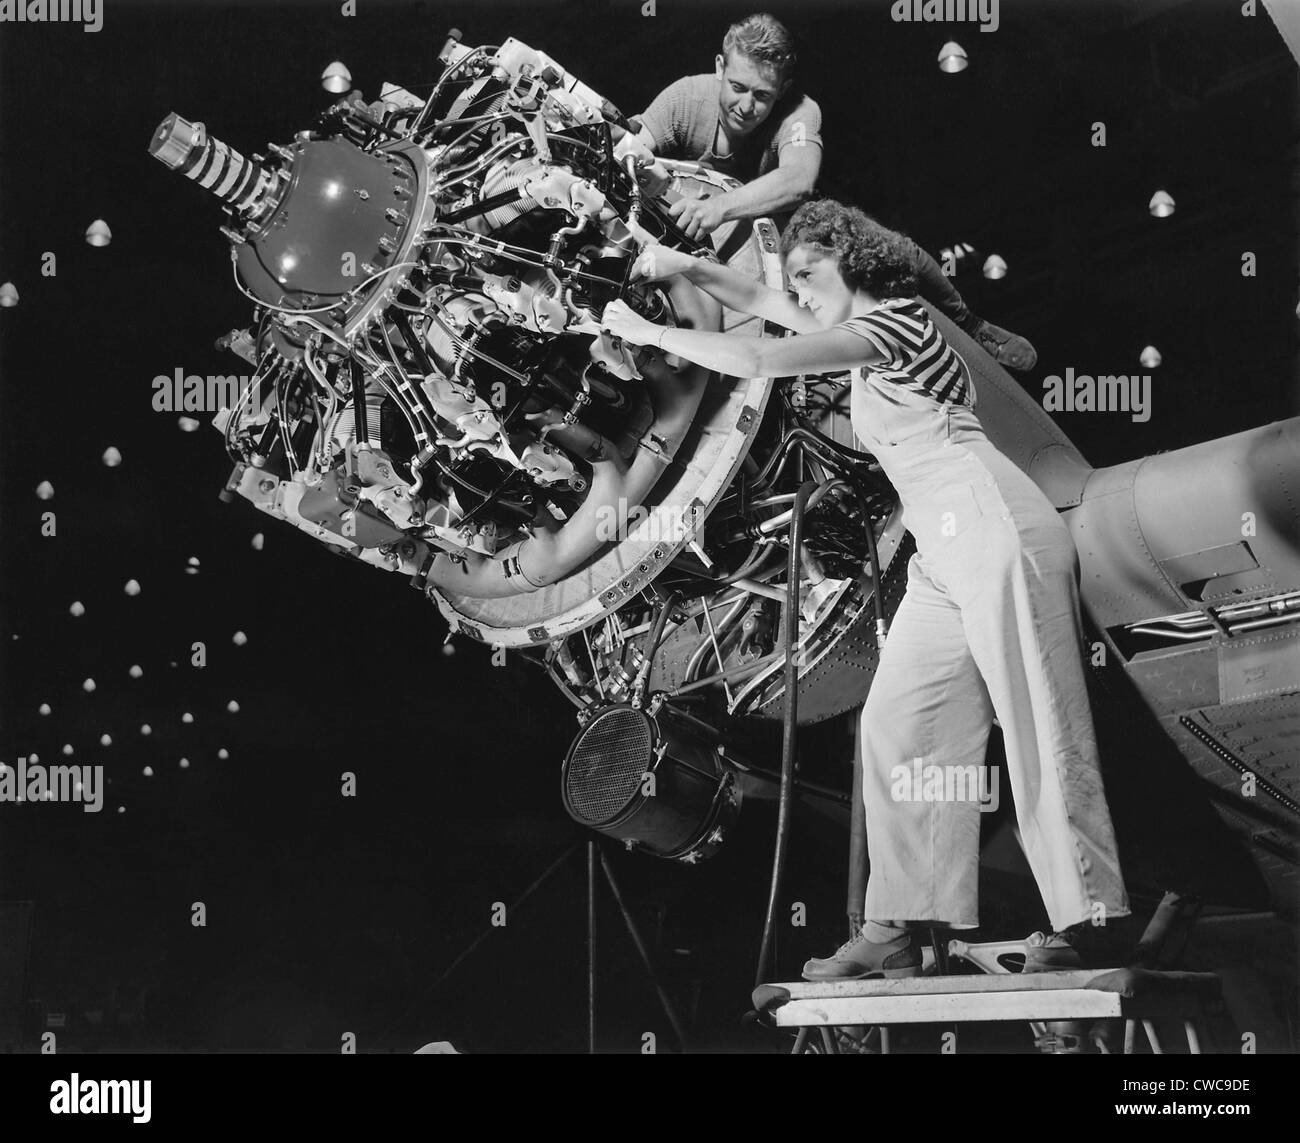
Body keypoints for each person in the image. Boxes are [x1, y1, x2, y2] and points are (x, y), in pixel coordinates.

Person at [598, 200, 1130, 978]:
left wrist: (647, 334)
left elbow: (756, 358)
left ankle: (1086, 917)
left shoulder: (901, 322)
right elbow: (758, 301)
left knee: (1035, 711)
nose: (800, 291)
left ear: (857, 266)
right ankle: (901, 925)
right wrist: (681, 267)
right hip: (942, 547)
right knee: (895, 725)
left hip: (992, 520)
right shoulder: (853, 329)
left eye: (812, 274)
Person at [621, 12, 1039, 371]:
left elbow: (797, 181)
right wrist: (638, 155)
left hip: (786, 223)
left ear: (782, 91)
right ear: (719, 67)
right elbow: (633, 144)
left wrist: (719, 209)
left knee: (900, 252)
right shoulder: (686, 96)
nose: (746, 106)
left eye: (762, 95)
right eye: (737, 87)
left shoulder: (802, 111)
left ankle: (970, 325)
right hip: (709, 235)